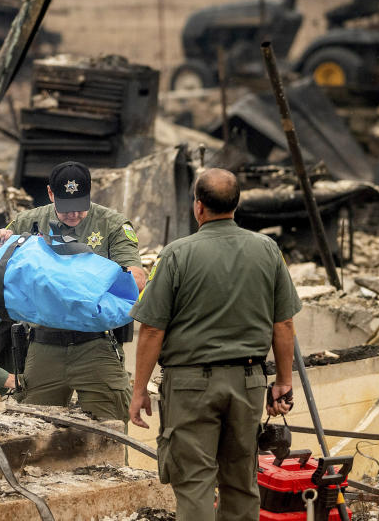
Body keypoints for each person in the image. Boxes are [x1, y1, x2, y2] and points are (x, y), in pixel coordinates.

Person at [128, 168, 299, 521]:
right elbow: (283, 323)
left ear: (198, 207)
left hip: (191, 387)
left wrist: (139, 388)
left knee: (194, 484)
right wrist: (283, 380)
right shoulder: (267, 250)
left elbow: (151, 329)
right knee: (241, 481)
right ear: (235, 206)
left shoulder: (176, 255)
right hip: (249, 381)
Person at [0, 161, 145, 421]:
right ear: (50, 194)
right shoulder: (30, 221)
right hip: (43, 344)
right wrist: (0, 239)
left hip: (95, 345)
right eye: (65, 208)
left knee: (111, 429)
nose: (73, 215)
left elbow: (137, 278)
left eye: (79, 207)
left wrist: (86, 280)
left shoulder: (112, 224)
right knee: (31, 428)